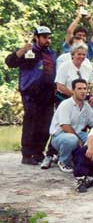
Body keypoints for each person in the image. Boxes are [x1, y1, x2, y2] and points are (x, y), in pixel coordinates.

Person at [5, 26, 57, 165]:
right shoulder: (29, 51)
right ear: (36, 37)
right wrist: (22, 50)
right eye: (45, 37)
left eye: (49, 37)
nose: (48, 40)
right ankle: (27, 155)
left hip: (48, 93)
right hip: (31, 93)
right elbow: (9, 62)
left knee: (45, 124)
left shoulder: (51, 53)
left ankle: (38, 152)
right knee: (31, 123)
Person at [49, 79, 93, 173]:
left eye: (85, 89)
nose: (83, 91)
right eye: (79, 88)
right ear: (73, 91)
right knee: (72, 139)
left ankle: (85, 162)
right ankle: (63, 161)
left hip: (78, 134)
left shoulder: (86, 106)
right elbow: (65, 126)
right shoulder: (65, 104)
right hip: (60, 136)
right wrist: (79, 140)